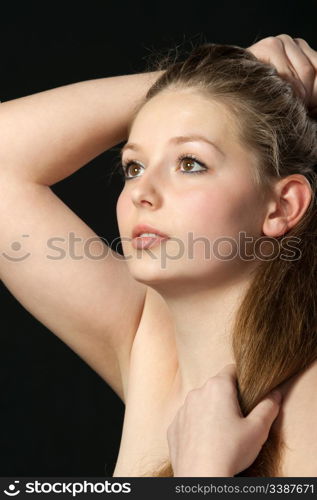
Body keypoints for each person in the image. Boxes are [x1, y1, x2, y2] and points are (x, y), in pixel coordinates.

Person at [0, 34, 316, 477]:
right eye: (134, 166)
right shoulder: (151, 344)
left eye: (190, 163)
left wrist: (203, 474)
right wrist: (237, 73)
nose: (141, 194)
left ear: (283, 206)